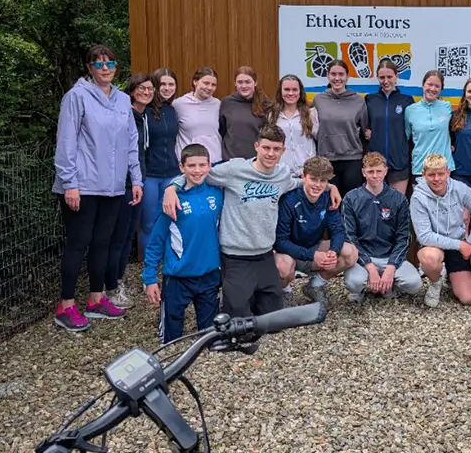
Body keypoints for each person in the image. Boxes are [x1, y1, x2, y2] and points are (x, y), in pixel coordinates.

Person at [163, 124, 341, 318]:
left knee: (271, 317)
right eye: (266, 148)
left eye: (276, 149)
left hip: (264, 254)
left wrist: (330, 187)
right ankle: (239, 294)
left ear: (283, 151)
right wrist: (172, 187)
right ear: (256, 146)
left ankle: (254, 292)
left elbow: (304, 182)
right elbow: (199, 174)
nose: (270, 153)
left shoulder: (281, 174)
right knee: (237, 316)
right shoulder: (235, 169)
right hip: (235, 255)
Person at [52, 45, 143, 332]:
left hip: (113, 187)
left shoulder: (122, 101)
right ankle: (66, 306)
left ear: (117, 66)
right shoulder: (76, 97)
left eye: (110, 63)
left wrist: (136, 179)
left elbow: (131, 143)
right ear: (89, 68)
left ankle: (96, 298)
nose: (105, 68)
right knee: (79, 244)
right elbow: (66, 142)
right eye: (98, 64)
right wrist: (70, 183)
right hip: (82, 186)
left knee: (103, 243)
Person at [142, 144, 222, 343]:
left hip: (209, 275)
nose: (197, 170)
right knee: (171, 341)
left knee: (209, 339)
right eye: (191, 165)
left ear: (209, 165)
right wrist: (150, 278)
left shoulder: (217, 194)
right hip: (178, 277)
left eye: (202, 165)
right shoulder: (171, 199)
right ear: (181, 167)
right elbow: (156, 240)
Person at [274, 156, 357, 303]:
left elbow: (337, 230)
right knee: (282, 267)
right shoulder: (289, 200)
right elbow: (280, 242)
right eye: (313, 179)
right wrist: (313, 255)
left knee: (350, 253)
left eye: (323, 181)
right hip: (290, 253)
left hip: (314, 248)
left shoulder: (328, 197)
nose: (318, 185)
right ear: (303, 177)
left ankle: (315, 285)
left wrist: (333, 251)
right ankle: (283, 291)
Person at [342, 152, 422, 304]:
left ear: (385, 171)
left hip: (389, 256)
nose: (375, 176)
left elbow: (403, 237)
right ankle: (363, 288)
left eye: (379, 171)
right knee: (354, 283)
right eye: (370, 171)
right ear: (363, 172)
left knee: (414, 284)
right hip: (363, 258)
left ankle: (389, 283)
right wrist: (371, 269)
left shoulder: (398, 199)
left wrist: (391, 268)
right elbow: (350, 236)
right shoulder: (351, 198)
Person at [104, 72, 154, 309]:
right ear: (132, 91)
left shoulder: (143, 117)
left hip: (138, 182)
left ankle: (118, 280)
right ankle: (111, 287)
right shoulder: (126, 116)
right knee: (119, 237)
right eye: (141, 88)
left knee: (127, 237)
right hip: (123, 183)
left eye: (149, 89)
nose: (146, 92)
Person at [410, 153, 471, 308]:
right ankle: (435, 282)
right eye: (431, 175)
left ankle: (452, 275)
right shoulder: (418, 197)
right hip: (434, 245)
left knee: (468, 298)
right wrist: (460, 245)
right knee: (429, 257)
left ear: (448, 172)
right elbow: (424, 236)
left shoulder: (459, 188)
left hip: (459, 243)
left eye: (440, 174)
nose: (436, 179)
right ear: (424, 175)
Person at [140, 67, 180, 260]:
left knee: (168, 221)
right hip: (150, 175)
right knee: (148, 224)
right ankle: (149, 267)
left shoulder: (172, 110)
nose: (166, 88)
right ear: (155, 86)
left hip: (171, 174)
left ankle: (168, 267)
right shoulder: (144, 111)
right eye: (162, 84)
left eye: (171, 84)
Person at [314, 59, 368, 196]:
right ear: (328, 76)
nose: (337, 78)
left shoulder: (358, 100)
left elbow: (365, 129)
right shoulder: (319, 100)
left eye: (341, 74)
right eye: (333, 74)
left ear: (347, 76)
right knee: (330, 205)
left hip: (352, 159)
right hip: (326, 160)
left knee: (351, 203)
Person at [363, 59, 415, 195]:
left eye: (389, 77)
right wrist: (365, 133)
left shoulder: (407, 100)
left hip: (399, 162)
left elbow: (414, 129)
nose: (386, 81)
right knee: (376, 207)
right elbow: (363, 126)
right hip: (376, 164)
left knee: (396, 206)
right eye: (382, 77)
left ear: (396, 76)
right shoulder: (370, 100)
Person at [405, 70, 454, 181]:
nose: (432, 89)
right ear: (423, 85)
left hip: (444, 168)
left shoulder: (447, 107)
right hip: (420, 168)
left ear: (441, 89)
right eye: (429, 84)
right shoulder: (410, 110)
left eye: (437, 86)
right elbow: (406, 137)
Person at [268, 74, 318, 179]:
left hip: (306, 173)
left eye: (295, 89)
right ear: (280, 92)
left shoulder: (310, 113)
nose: (291, 93)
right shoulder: (272, 114)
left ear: (300, 92)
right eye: (286, 89)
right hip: (281, 173)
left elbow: (318, 139)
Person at [219, 65, 270, 161]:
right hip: (231, 161)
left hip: (256, 161)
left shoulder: (265, 104)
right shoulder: (227, 103)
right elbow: (222, 130)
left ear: (255, 83)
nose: (244, 86)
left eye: (248, 82)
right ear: (235, 83)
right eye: (240, 82)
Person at [173, 67, 221, 163]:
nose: (209, 88)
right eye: (206, 83)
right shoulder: (178, 104)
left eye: (213, 85)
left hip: (214, 162)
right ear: (195, 82)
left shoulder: (218, 105)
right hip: (189, 163)